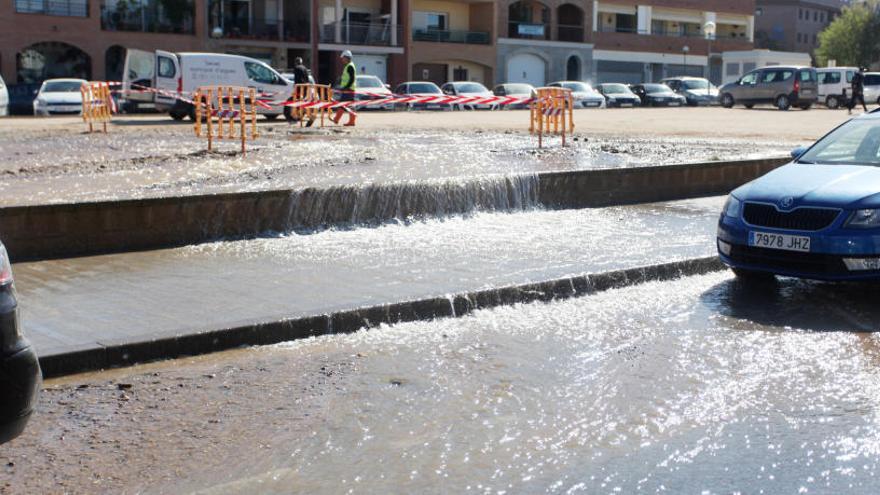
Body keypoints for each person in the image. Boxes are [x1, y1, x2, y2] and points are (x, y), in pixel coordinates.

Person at [331, 50, 357, 126]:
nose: (342, 60)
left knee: (343, 105)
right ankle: (350, 121)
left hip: (348, 90)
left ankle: (337, 119)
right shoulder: (348, 66)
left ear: (347, 58)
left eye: (343, 58)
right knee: (348, 105)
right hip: (348, 89)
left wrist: (346, 88)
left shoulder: (350, 67)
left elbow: (352, 79)